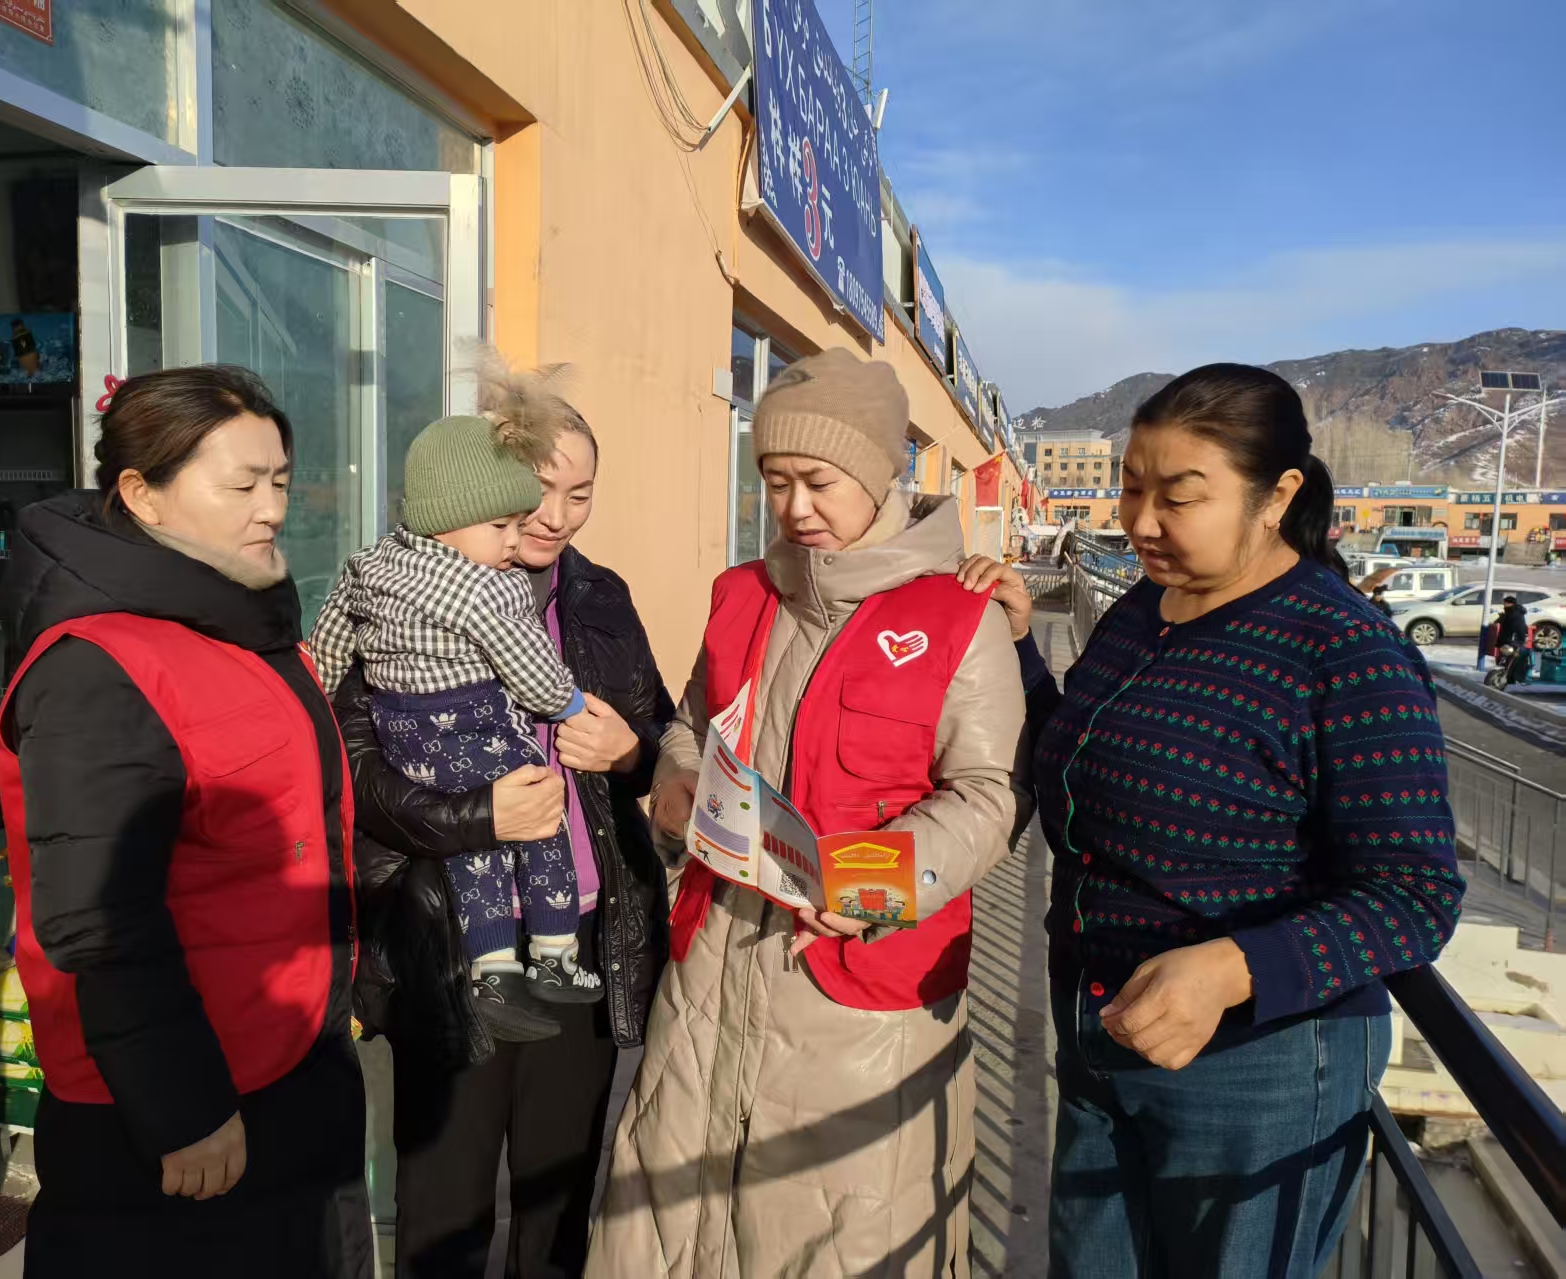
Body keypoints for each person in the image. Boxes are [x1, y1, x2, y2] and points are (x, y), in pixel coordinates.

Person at [961, 364, 1461, 1277]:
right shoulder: (1143, 609)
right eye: (1131, 488)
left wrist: (1233, 968)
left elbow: (1415, 896)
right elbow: (1082, 760)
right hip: (1100, 1023)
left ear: (1279, 497)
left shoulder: (1348, 653)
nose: (1141, 522)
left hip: (1256, 1066)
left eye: (1179, 498)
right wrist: (1019, 645)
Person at [588, 347, 1031, 1277]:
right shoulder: (740, 594)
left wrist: (869, 882)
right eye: (776, 480)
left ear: (879, 472)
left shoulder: (961, 616)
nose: (794, 508)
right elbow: (694, 723)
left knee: (834, 1231)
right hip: (713, 969)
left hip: (855, 995)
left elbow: (987, 795)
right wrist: (677, 776)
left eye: (819, 482)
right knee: (678, 1215)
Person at [0, 366, 370, 1278]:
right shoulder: (99, 663)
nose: (272, 508)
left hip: (289, 1065)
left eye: (280, 480)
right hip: (181, 1114)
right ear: (141, 493)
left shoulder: (243, 623)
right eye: (241, 485)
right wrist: (184, 1108)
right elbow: (99, 915)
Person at [336, 369, 674, 1278]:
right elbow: (355, 769)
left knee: (556, 1199)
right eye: (540, 488)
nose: (556, 516)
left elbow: (662, 735)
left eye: (581, 493)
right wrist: (476, 815)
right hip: (451, 943)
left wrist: (631, 753)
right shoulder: (400, 592)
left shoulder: (601, 598)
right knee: (443, 1206)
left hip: (581, 936)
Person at [310, 380, 607, 1043]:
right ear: (453, 514)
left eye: (579, 495)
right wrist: (569, 705)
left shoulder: (369, 566)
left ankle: (494, 969)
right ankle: (554, 953)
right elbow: (532, 674)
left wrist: (319, 689)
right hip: (470, 730)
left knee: (478, 854)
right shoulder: (486, 589)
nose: (525, 533)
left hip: (408, 737)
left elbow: (328, 643)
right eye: (506, 522)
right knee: (540, 822)